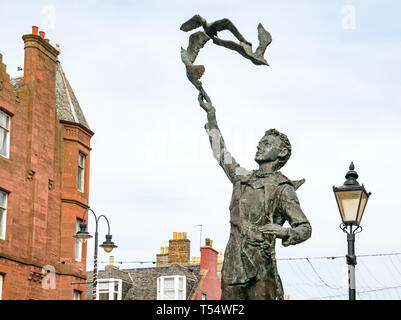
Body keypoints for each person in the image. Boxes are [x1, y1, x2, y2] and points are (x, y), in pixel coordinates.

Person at [198, 93, 312, 300]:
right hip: (233, 268)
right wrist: (211, 118)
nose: (260, 146)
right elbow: (221, 154)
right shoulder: (242, 177)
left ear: (281, 153)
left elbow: (304, 228)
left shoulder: (282, 188)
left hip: (261, 269)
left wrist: (284, 232)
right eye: (260, 142)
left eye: (267, 144)